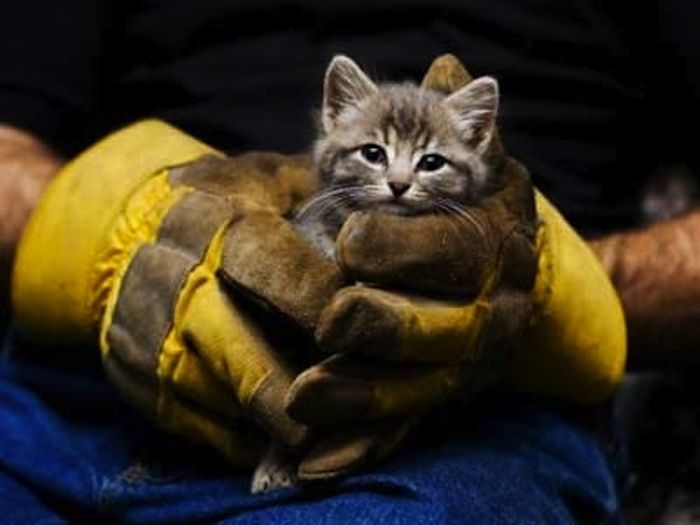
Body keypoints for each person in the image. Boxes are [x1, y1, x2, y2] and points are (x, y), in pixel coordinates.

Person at [0, 0, 697, 522]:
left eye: (422, 163)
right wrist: (114, 225)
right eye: (377, 156)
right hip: (84, 381)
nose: (398, 180)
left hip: (470, 423)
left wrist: (542, 291)